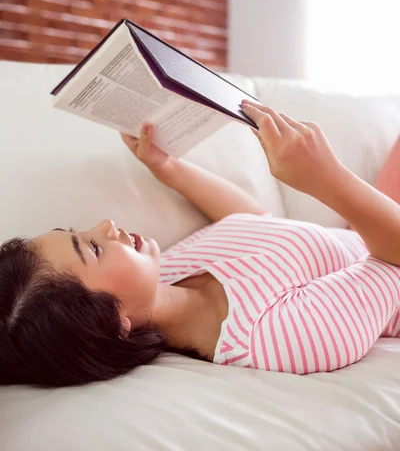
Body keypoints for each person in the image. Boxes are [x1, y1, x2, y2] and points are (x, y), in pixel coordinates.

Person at [1, 100, 400, 387]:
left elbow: (254, 226)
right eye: (93, 249)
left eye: (80, 231)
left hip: (370, 224)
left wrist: (167, 167)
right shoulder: (273, 337)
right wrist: (326, 176)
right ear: (112, 322)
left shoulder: (171, 269)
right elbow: (393, 264)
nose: (105, 225)